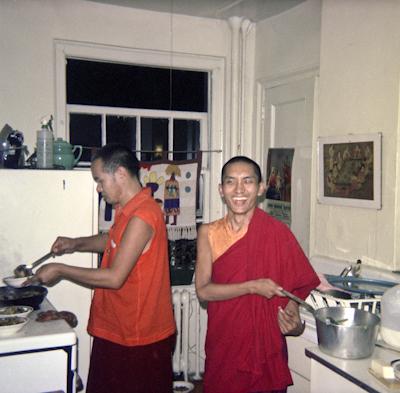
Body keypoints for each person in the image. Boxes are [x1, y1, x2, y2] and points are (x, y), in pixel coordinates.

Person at [29, 144, 176, 393]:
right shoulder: (127, 210)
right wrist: (74, 244)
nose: (98, 188)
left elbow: (114, 277)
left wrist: (60, 269)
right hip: (118, 325)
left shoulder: (143, 215)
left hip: (138, 334)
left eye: (99, 180)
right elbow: (113, 241)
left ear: (120, 174)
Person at [195, 156, 320, 393]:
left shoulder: (277, 233)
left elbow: (298, 285)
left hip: (265, 348)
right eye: (231, 182)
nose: (239, 190)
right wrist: (252, 286)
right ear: (221, 190)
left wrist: (292, 317)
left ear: (261, 187)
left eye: (248, 181)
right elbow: (203, 291)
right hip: (225, 344)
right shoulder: (208, 232)